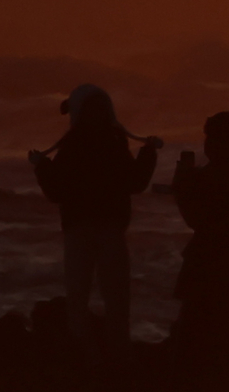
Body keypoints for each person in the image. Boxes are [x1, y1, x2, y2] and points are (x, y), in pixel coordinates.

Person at [30, 85, 160, 349]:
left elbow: (56, 192)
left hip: (78, 231)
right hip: (111, 229)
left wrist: (42, 167)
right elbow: (136, 182)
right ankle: (119, 354)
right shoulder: (114, 144)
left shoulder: (72, 147)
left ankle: (81, 357)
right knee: (117, 298)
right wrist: (147, 153)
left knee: (78, 298)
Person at [166, 111, 229, 353]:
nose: (207, 145)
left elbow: (199, 218)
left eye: (211, 138)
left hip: (215, 274)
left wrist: (183, 186)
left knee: (199, 341)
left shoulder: (225, 176)